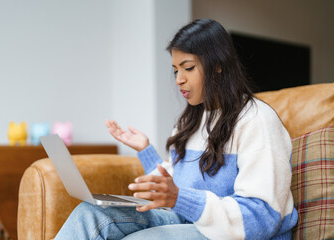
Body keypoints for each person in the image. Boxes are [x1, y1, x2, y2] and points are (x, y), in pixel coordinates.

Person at [55, 19, 298, 240]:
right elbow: (176, 189)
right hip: (187, 222)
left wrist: (180, 199)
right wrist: (145, 151)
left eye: (188, 68)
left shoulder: (257, 121)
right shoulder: (191, 121)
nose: (178, 79)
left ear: (218, 66)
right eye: (175, 69)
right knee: (91, 213)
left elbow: (260, 218)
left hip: (240, 235)